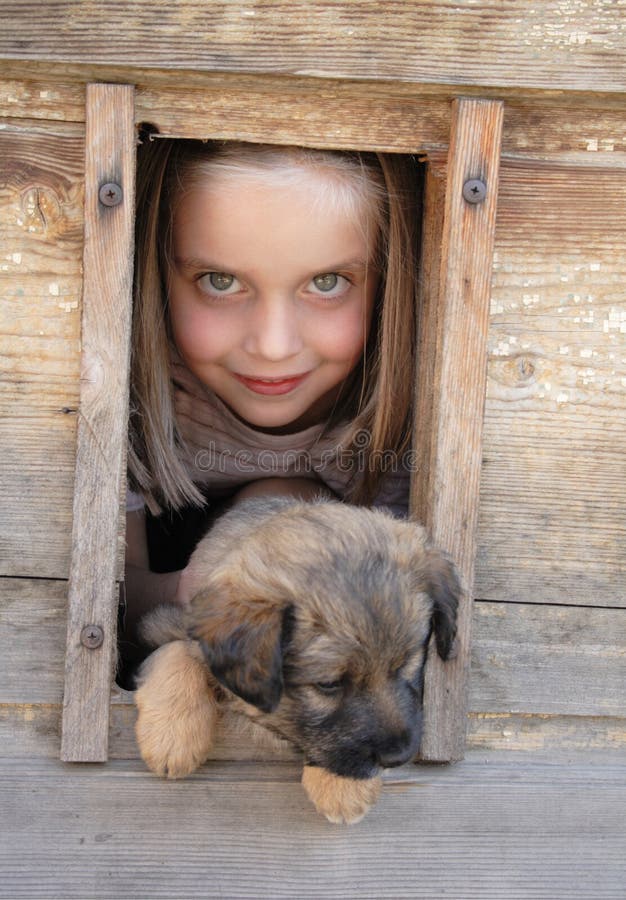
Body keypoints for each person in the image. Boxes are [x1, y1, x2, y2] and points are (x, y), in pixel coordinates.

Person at [120, 138, 420, 682]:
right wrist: (195, 590)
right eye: (221, 281)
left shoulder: (401, 419)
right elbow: (102, 592)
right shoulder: (130, 397)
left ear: (386, 282)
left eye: (326, 283)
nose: (274, 346)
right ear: (157, 273)